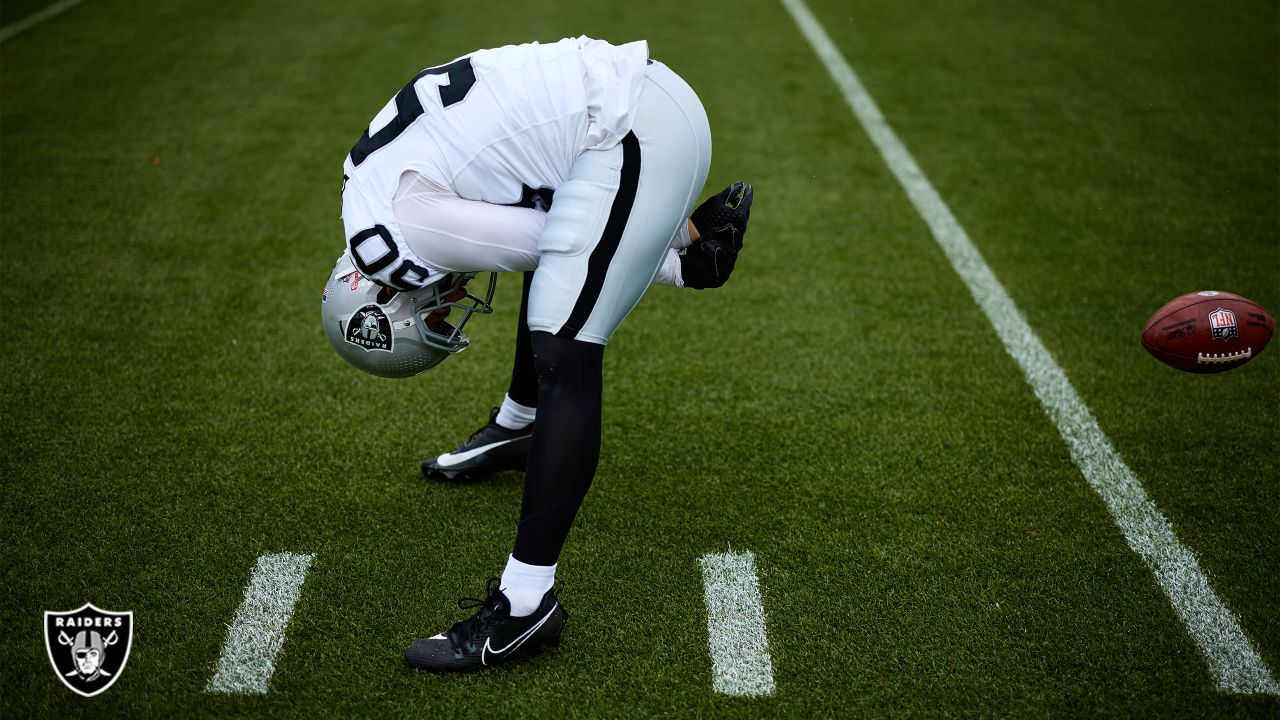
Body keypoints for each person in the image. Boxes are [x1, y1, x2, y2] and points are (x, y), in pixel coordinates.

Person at [321, 36, 752, 672]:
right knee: (556, 300)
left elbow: (557, 241)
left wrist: (679, 260)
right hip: (632, 108)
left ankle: (525, 607)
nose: (455, 301)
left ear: (395, 299)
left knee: (566, 349)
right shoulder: (364, 188)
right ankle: (517, 428)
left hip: (634, 132)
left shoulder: (395, 232)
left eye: (434, 315)